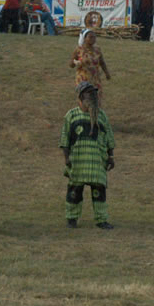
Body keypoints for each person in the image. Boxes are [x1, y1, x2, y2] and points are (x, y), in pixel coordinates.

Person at [60, 81, 116, 230]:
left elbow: (109, 137)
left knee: (99, 192)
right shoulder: (71, 116)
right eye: (89, 94)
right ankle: (72, 219)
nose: (93, 97)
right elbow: (65, 139)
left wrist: (111, 156)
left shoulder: (102, 116)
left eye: (94, 94)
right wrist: (67, 158)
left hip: (97, 161)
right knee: (74, 191)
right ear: (80, 97)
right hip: (78, 161)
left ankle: (101, 220)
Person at [70, 29, 111, 99]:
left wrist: (107, 73)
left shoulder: (97, 49)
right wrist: (76, 62)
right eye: (90, 37)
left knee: (96, 99)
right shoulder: (79, 50)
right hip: (83, 79)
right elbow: (71, 65)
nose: (93, 39)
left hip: (95, 79)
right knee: (85, 100)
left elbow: (102, 62)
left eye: (94, 37)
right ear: (84, 38)